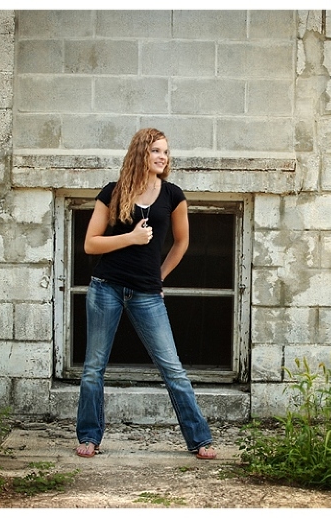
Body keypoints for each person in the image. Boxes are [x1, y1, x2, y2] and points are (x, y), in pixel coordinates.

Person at [75, 128, 216, 460]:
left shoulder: (173, 195)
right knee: (94, 367)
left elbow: (182, 242)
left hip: (146, 294)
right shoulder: (113, 192)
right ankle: (90, 436)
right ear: (141, 153)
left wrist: (159, 276)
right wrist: (130, 238)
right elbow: (90, 243)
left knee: (173, 368)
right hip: (105, 287)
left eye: (166, 151)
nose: (163, 157)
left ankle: (199, 439)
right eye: (155, 150)